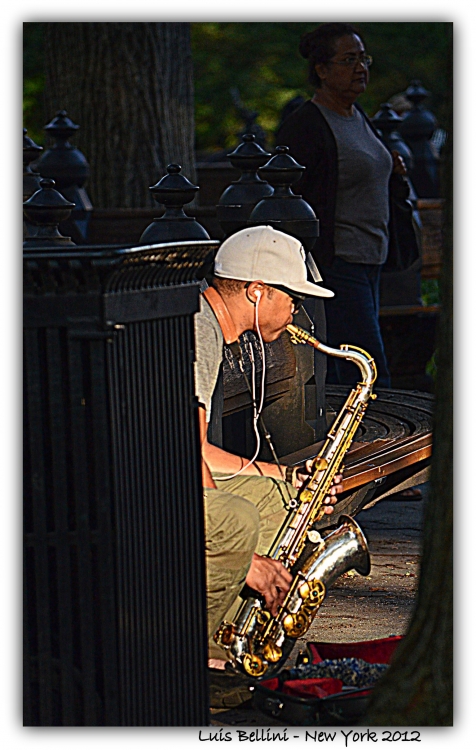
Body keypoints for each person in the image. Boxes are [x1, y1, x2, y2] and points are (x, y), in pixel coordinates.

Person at [195, 225, 343, 705]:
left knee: (286, 500)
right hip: (133, 486)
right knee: (233, 521)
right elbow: (181, 453)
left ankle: (241, 642)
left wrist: (286, 476)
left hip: (151, 472)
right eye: (293, 296)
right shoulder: (200, 330)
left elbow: (199, 450)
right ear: (256, 291)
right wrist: (247, 562)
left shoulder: (208, 324)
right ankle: (203, 663)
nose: (298, 310)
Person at [276, 22, 412, 390]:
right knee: (368, 368)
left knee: (347, 367)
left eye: (363, 58)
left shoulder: (358, 116)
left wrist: (392, 166)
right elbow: (292, 193)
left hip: (371, 260)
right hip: (338, 264)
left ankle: (352, 444)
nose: (360, 68)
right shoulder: (306, 124)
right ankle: (380, 444)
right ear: (321, 70)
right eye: (348, 59)